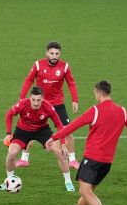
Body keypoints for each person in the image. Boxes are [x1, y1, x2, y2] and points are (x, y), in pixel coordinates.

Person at [46, 80, 127, 205]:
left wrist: (54, 137)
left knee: (84, 191)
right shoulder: (122, 111)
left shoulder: (95, 111)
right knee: (89, 190)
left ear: (99, 93)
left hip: (92, 158)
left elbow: (72, 126)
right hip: (107, 162)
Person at [0, 86, 76, 192]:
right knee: (12, 153)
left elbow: (59, 125)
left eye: (39, 100)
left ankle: (68, 182)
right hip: (22, 131)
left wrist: (63, 144)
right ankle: (9, 180)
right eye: (33, 100)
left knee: (61, 153)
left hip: (42, 131)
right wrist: (8, 133)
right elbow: (9, 114)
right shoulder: (22, 104)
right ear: (30, 98)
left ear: (42, 99)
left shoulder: (48, 107)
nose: (36, 103)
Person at [18, 41, 81, 169]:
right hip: (40, 104)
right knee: (29, 129)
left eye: (57, 53)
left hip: (58, 104)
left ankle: (72, 160)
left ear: (59, 54)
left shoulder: (64, 67)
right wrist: (22, 98)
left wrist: (75, 99)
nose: (54, 56)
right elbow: (28, 80)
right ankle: (24, 159)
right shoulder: (38, 65)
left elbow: (71, 83)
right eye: (52, 53)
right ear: (47, 53)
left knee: (67, 130)